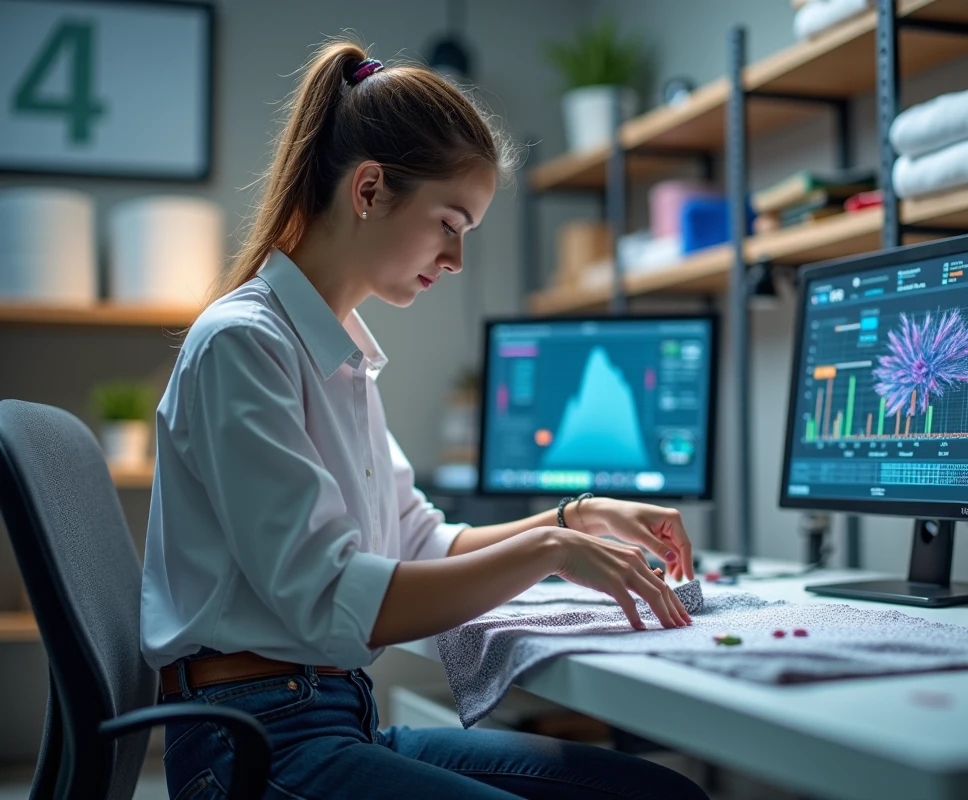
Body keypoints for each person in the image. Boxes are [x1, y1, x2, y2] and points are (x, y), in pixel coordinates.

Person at [140, 38, 709, 800]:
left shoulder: (337, 355)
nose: (456, 260)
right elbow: (329, 599)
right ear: (369, 189)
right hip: (249, 744)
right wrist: (547, 550)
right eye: (450, 223)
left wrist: (572, 520)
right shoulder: (243, 344)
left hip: (332, 718)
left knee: (660, 795)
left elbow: (420, 543)